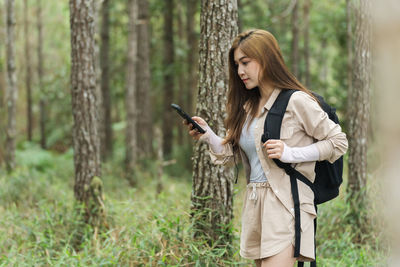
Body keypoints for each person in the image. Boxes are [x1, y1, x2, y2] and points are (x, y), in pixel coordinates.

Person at [183, 29, 348, 267]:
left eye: (246, 63)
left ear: (266, 59)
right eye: (237, 64)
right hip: (255, 204)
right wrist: (208, 136)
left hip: (287, 204)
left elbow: (338, 142)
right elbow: (237, 155)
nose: (240, 71)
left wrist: (291, 153)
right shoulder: (250, 107)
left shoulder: (297, 101)